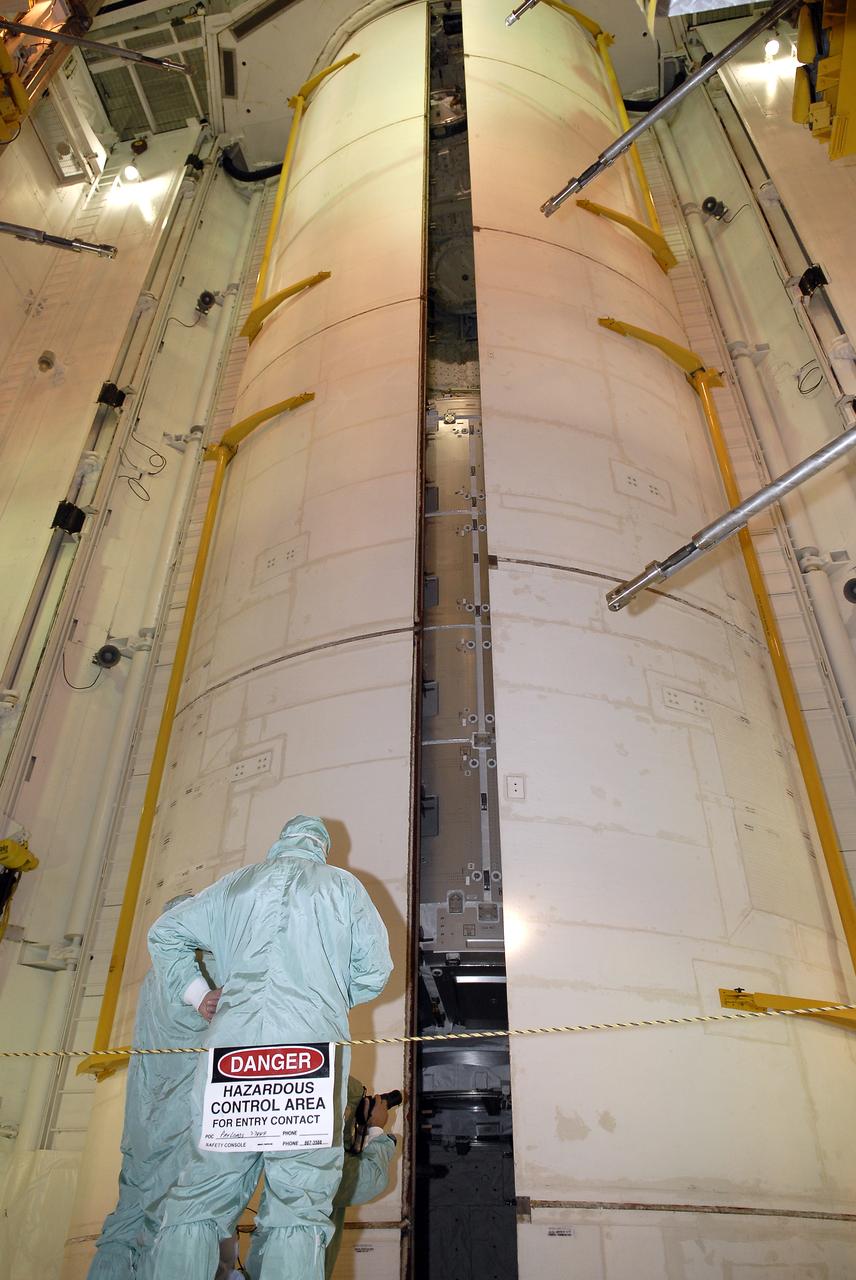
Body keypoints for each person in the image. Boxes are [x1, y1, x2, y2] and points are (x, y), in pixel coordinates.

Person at [146, 815, 393, 1280]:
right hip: (308, 1057)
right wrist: (324, 999)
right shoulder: (342, 887)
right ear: (321, 847)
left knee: (199, 1199)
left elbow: (165, 934)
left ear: (279, 842)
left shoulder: (233, 887)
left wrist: (199, 995)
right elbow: (375, 971)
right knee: (300, 1206)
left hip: (230, 1058)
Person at [88, 895, 239, 1280]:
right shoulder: (205, 968)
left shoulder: (155, 975)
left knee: (128, 1212)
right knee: (170, 1214)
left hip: (142, 1114)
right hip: (182, 1112)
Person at [244, 1077, 398, 1279]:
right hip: (295, 1259)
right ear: (344, 1112)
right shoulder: (319, 1158)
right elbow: (370, 1179)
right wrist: (376, 1128)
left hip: (275, 1256)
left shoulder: (294, 1135)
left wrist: (362, 1131)